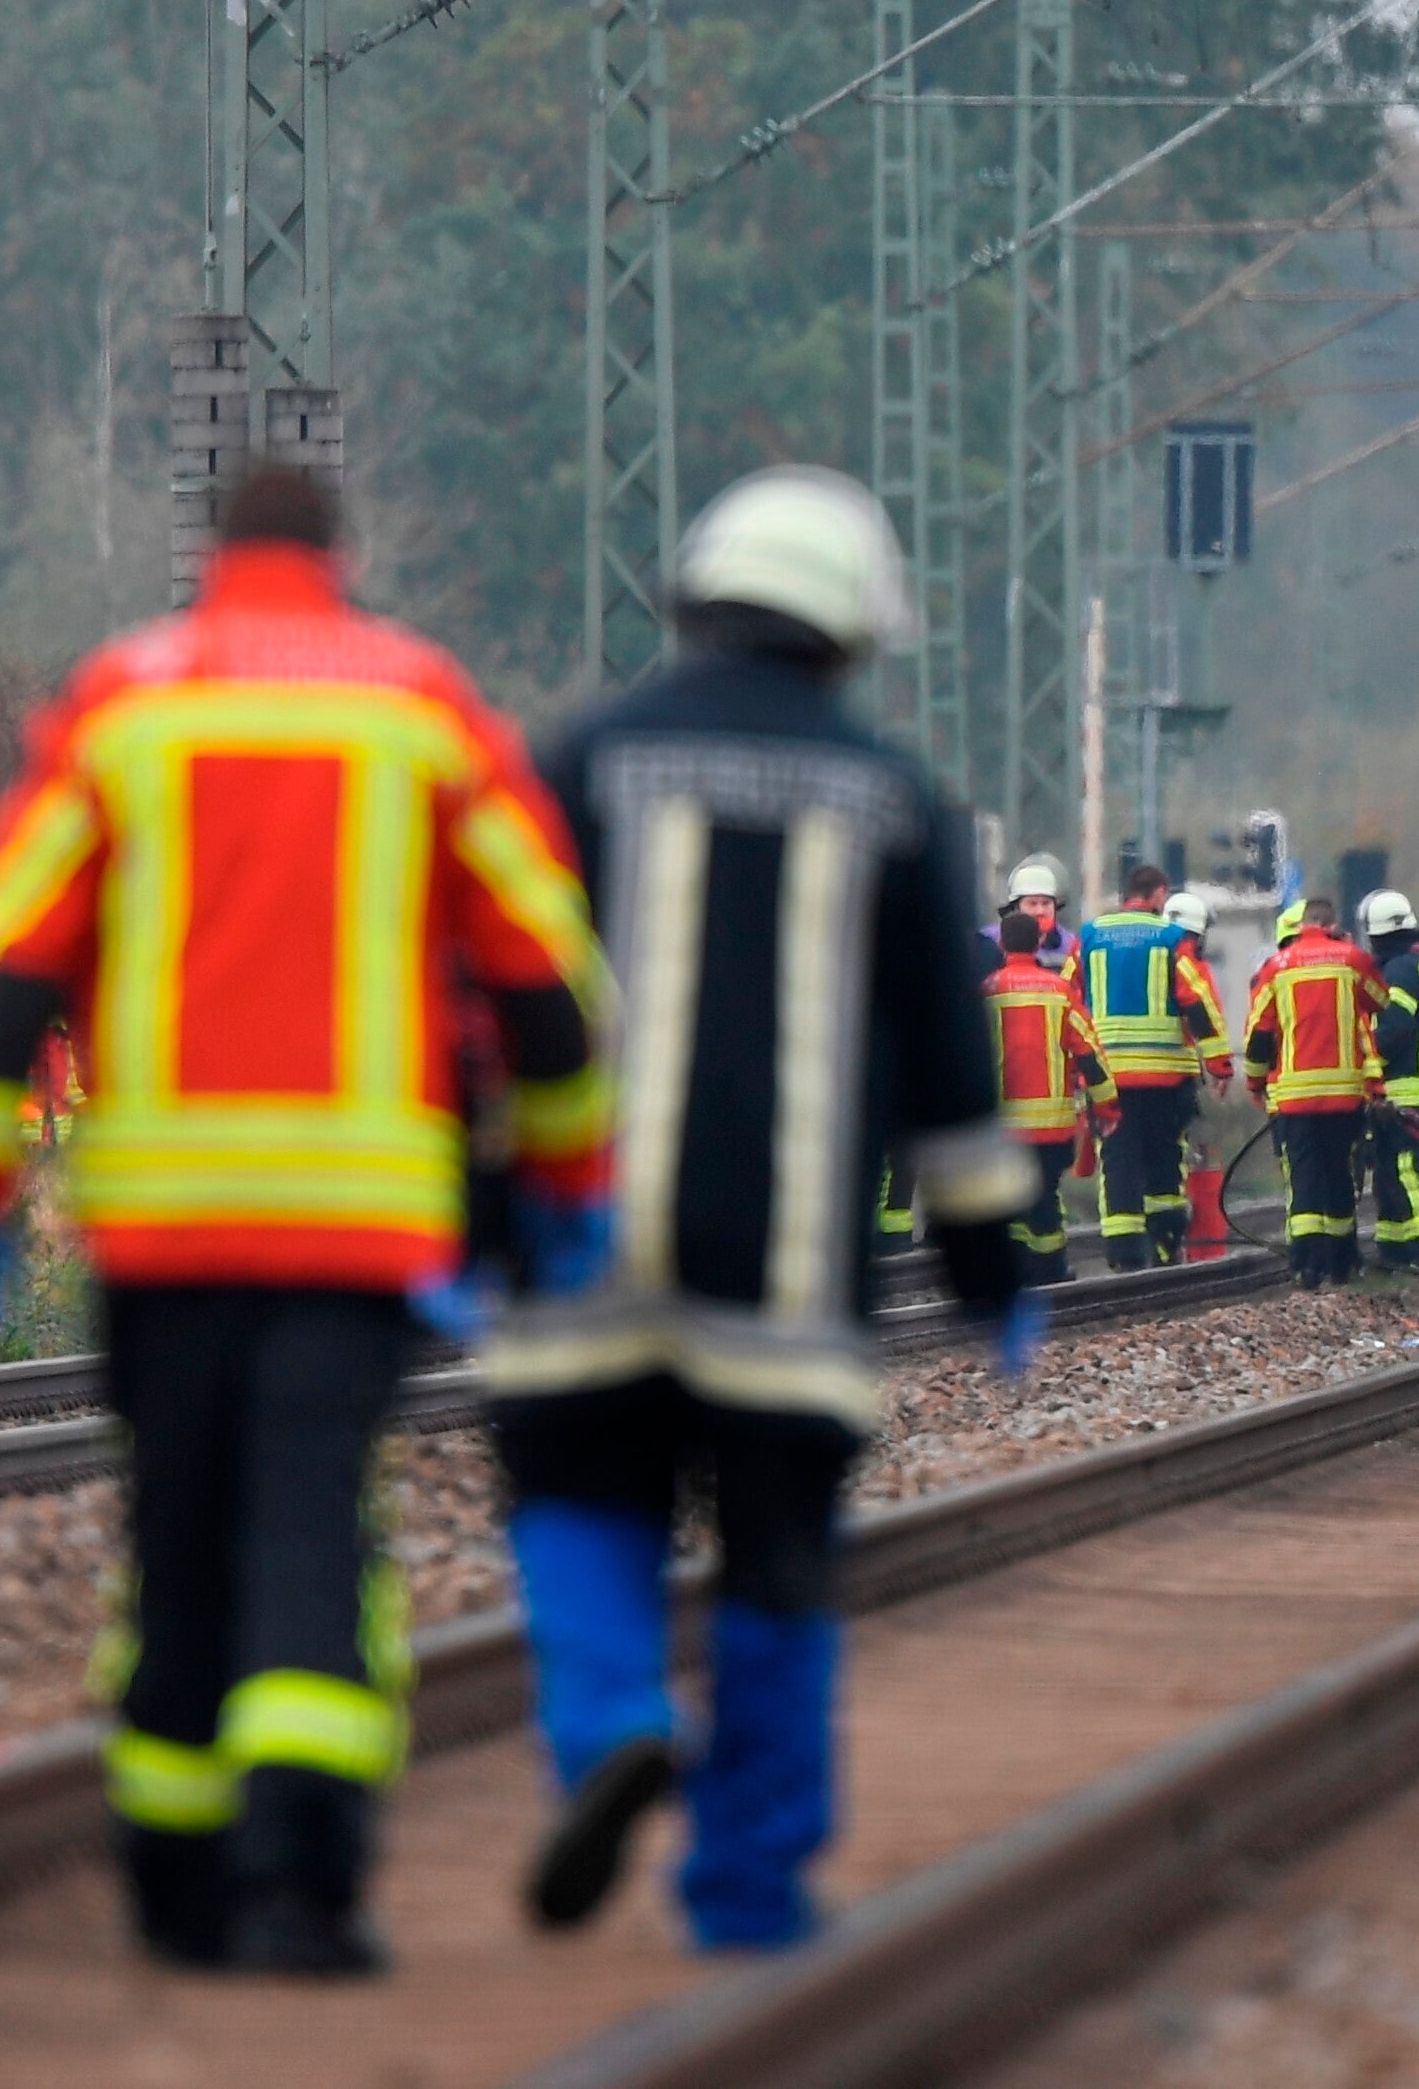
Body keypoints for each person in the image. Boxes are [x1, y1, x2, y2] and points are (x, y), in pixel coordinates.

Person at [0, 465, 611, 1977]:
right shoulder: (419, 708)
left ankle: (170, 1881)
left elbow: (8, 964)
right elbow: (545, 972)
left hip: (163, 1225)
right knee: (312, 1525)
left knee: (172, 1532)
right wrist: (566, 1184)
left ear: (215, 555)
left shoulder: (120, 705)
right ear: (338, 554)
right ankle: (302, 1886)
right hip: (355, 1228)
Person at [488, 465, 1037, 1953]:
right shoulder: (898, 803)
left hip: (583, 1257)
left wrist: (478, 1217)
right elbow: (949, 1073)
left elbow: (487, 1003)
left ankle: (606, 1723)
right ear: (851, 635)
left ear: (692, 597)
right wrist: (989, 1269)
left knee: (580, 1503)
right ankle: (745, 1890)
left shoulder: (576, 762)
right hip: (788, 1287)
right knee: (777, 1570)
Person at [1074, 863, 1231, 1270]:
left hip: (1108, 1078)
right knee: (1165, 1162)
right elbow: (1196, 1000)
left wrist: (1075, 1067)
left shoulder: (1088, 937)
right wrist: (1219, 1064)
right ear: (1159, 895)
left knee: (1118, 1160)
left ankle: (1126, 1257)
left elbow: (1067, 997)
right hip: (1164, 1077)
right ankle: (1165, 1243)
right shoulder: (1170, 939)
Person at [1246, 898, 1385, 1289]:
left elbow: (1259, 1034)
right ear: (1332, 924)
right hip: (1344, 1092)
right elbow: (1381, 999)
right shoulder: (1350, 959)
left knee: (1305, 1176)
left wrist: (1255, 1083)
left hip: (1295, 1095)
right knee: (1341, 1174)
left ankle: (1307, 1267)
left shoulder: (1276, 968)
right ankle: (1342, 1263)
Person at [985, 905, 1115, 1285]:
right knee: (1045, 1198)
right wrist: (1107, 1104)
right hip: (1052, 1125)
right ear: (1040, 941)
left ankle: (1014, 1272)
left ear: (1002, 944)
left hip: (1002, 1127)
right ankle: (1052, 1271)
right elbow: (1088, 1051)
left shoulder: (987, 991)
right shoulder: (1059, 990)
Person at [1357, 889, 1419, 1275]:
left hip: (1399, 1088)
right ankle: (1393, 1250)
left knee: (1403, 1169)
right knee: (1388, 1173)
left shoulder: (1398, 971)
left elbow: (1395, 1027)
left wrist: (1364, 1060)